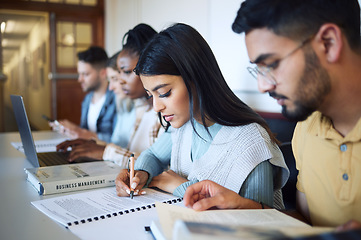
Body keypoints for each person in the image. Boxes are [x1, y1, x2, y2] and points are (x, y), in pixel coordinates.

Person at [183, 0, 361, 230]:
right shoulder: (307, 128)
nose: (262, 86)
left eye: (272, 64)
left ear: (329, 43)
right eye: (258, 69)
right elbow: (308, 223)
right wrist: (245, 208)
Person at [115, 23, 289, 210]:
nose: (156, 106)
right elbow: (154, 155)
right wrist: (141, 173)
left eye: (164, 92)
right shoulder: (184, 124)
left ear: (196, 79)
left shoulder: (250, 141)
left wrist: (180, 186)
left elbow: (262, 215)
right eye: (150, 95)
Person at [57, 24, 162, 168]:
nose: (120, 81)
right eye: (118, 73)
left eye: (126, 72)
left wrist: (105, 151)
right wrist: (93, 145)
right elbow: (131, 153)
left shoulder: (163, 113)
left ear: (149, 67)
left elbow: (155, 167)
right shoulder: (141, 107)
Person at [50, 46, 117, 143]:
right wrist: (72, 130)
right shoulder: (87, 99)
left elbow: (118, 141)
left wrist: (80, 132)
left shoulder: (116, 100)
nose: (79, 79)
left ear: (103, 73)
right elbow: (84, 133)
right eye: (79, 74)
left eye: (85, 74)